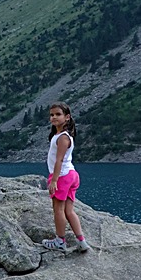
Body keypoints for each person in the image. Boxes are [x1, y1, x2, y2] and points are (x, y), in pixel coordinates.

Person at [43, 102, 89, 254]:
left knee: (58, 210)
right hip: (72, 175)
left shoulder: (63, 138)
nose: (54, 117)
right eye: (52, 115)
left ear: (67, 117)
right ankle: (81, 241)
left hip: (62, 176)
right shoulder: (61, 136)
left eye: (58, 114)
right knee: (69, 211)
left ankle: (60, 241)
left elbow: (59, 160)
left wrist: (54, 180)